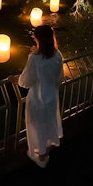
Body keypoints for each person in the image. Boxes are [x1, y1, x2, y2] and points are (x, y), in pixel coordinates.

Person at [8, 24, 64, 168]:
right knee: (49, 122)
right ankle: (48, 148)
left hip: (37, 98)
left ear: (37, 39)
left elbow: (26, 81)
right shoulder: (58, 55)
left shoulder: (35, 58)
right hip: (51, 94)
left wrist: (16, 80)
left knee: (36, 125)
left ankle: (41, 156)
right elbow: (59, 78)